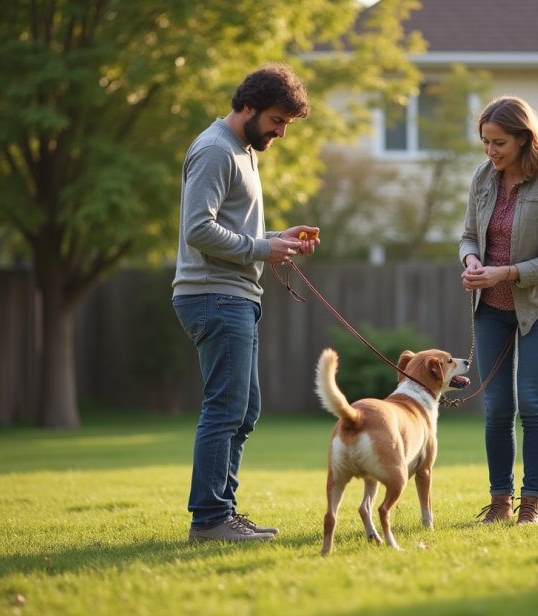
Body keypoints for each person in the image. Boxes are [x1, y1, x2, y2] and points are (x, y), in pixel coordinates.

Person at [172, 63, 319, 542]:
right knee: (225, 409)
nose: (280, 132)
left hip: (233, 295)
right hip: (214, 295)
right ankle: (210, 520)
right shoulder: (216, 150)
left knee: (244, 409)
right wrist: (262, 248)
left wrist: (279, 240)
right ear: (248, 106)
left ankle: (222, 513)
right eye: (277, 121)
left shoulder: (241, 150)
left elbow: (233, 230)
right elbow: (198, 228)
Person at [459, 96, 538, 526]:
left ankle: (531, 503)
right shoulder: (483, 179)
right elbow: (468, 236)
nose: (491, 152)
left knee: (531, 400)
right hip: (490, 307)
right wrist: (471, 261)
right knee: (497, 406)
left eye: (499, 143)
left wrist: (502, 273)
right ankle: (501, 500)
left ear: (525, 139)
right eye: (486, 142)